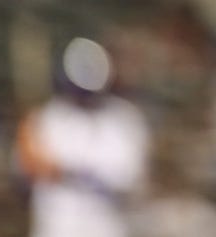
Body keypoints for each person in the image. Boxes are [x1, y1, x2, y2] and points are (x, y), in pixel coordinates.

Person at [14, 36, 151, 237]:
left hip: (107, 229)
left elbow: (130, 182)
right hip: (57, 229)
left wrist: (72, 174)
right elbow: (29, 167)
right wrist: (64, 172)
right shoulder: (47, 118)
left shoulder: (124, 120)